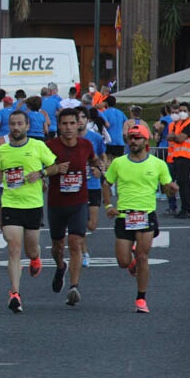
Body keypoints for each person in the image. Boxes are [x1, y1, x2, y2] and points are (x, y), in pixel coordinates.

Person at [0, 110, 64, 313]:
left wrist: (41, 173)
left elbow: (55, 166)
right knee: (14, 247)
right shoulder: (3, 149)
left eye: (19, 124)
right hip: (10, 202)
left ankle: (35, 258)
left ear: (26, 126)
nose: (15, 127)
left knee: (31, 248)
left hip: (32, 204)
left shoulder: (38, 146)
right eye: (12, 124)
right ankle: (15, 293)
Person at [103, 123, 176, 313]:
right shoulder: (119, 162)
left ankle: (141, 298)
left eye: (137, 138)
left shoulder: (158, 164)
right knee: (123, 262)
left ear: (146, 141)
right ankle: (132, 256)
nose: (133, 141)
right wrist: (109, 205)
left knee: (144, 257)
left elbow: (166, 187)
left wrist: (171, 189)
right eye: (130, 138)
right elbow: (106, 183)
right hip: (124, 215)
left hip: (146, 214)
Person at [46, 109, 104, 306]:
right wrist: (52, 170)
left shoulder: (86, 144)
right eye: (64, 124)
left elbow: (96, 161)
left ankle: (73, 287)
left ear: (78, 124)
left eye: (72, 123)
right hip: (56, 203)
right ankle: (60, 266)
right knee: (57, 247)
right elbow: (39, 169)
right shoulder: (50, 146)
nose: (69, 128)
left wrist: (98, 168)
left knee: (75, 243)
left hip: (79, 202)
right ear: (59, 126)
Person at [76, 106, 106, 267]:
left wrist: (100, 169)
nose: (80, 120)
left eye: (83, 117)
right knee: (79, 223)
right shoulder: (68, 138)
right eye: (77, 117)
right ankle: (83, 252)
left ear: (88, 120)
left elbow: (102, 156)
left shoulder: (95, 138)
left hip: (93, 185)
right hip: (75, 186)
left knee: (91, 225)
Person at [166, 102, 190, 219]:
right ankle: (184, 209)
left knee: (184, 183)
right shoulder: (179, 124)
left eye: (184, 110)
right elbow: (170, 136)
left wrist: (174, 136)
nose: (181, 113)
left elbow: (179, 138)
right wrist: (174, 136)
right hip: (179, 156)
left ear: (189, 112)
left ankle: (187, 209)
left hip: (186, 157)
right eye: (180, 110)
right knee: (182, 182)